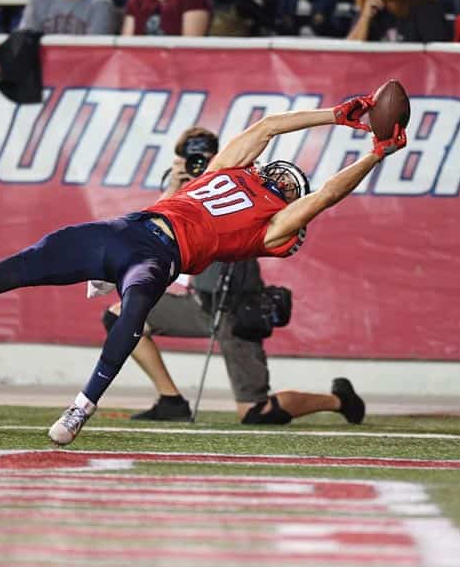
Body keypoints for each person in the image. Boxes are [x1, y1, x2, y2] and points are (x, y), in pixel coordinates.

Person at [0, 87, 407, 446]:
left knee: (147, 322)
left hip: (158, 257)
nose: (286, 183)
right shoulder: (224, 172)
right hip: (125, 230)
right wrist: (337, 115)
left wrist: (373, 153)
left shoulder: (274, 226)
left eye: (290, 187)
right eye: (285, 180)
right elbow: (267, 126)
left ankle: (81, 406)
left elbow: (325, 194)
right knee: (17, 269)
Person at [105, 127, 365, 426]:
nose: (198, 165)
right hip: (200, 304)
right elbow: (152, 228)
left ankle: (339, 400)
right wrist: (177, 183)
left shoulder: (235, 180)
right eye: (189, 159)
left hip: (235, 307)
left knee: (257, 413)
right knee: (121, 316)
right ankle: (171, 400)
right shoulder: (182, 191)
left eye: (203, 158)